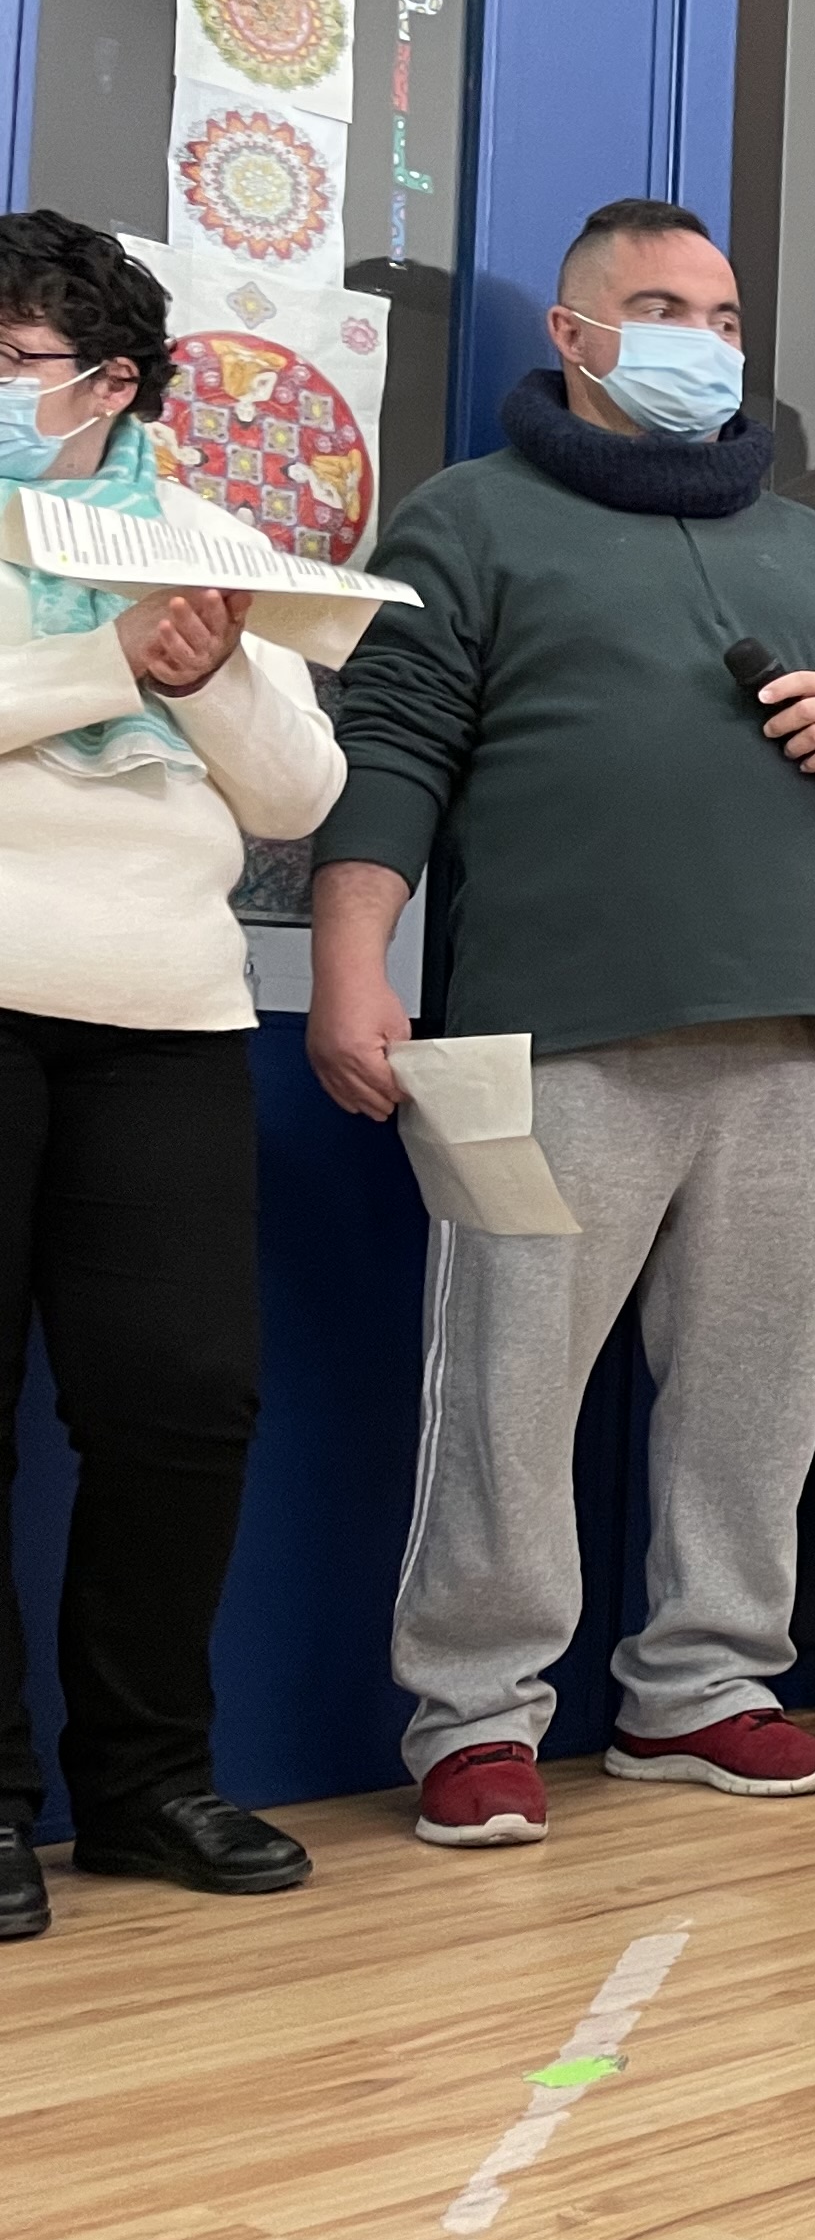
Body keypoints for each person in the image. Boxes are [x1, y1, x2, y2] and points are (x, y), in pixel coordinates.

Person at [309, 197, 815, 1849]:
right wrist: (350, 960)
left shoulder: (814, 549)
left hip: (798, 1043)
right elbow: (387, 756)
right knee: (506, 1389)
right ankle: (471, 1709)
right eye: (660, 303)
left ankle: (706, 1685)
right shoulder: (467, 522)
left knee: (758, 1392)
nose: (700, 340)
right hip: (543, 1038)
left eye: (724, 315)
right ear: (574, 332)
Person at [0, 212, 345, 1938]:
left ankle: (146, 1780)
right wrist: (99, 663)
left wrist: (202, 672)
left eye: (15, 359)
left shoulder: (196, 531)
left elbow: (290, 792)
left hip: (170, 1019)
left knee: (180, 1403)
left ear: (112, 382)